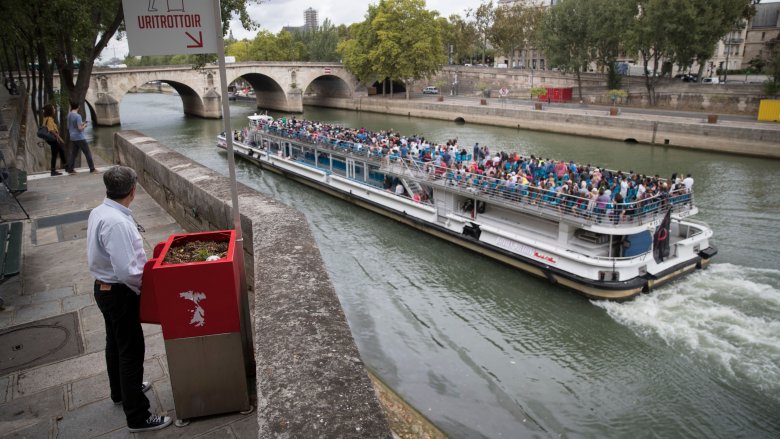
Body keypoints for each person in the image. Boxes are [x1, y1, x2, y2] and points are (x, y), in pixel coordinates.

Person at [87, 166, 172, 433]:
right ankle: (138, 416)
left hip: (103, 288)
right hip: (120, 292)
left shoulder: (99, 212)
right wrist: (145, 289)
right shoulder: (117, 223)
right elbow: (127, 271)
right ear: (133, 190)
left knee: (115, 344)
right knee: (131, 352)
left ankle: (121, 392)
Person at [66, 101, 97, 174]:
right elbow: (80, 128)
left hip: (72, 136)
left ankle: (70, 169)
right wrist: (84, 126)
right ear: (78, 107)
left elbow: (72, 126)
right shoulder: (78, 116)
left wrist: (82, 123)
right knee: (87, 153)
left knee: (73, 154)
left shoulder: (69, 115)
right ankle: (92, 169)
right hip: (79, 137)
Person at [42, 104, 67, 176]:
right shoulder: (49, 119)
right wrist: (59, 138)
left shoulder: (46, 118)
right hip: (52, 138)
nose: (55, 110)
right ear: (50, 111)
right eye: (53, 109)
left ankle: (66, 166)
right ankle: (53, 171)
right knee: (55, 154)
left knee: (61, 150)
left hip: (50, 138)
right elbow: (51, 130)